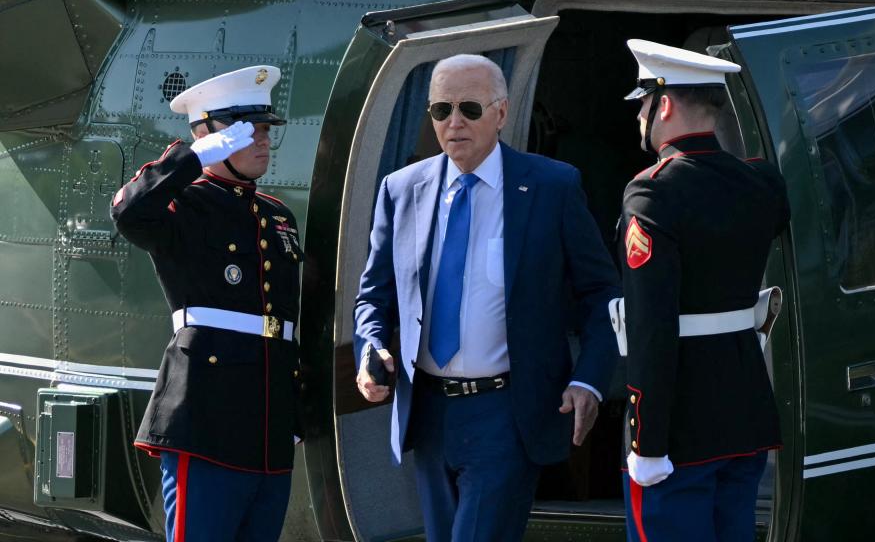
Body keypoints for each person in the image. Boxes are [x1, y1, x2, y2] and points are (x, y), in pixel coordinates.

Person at [353, 54, 621, 542]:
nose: (454, 122)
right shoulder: (402, 188)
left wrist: (591, 380)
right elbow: (374, 294)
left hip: (508, 412)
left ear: (501, 112)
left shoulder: (552, 186)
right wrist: (369, 347)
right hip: (428, 412)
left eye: (470, 108)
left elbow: (602, 292)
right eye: (440, 110)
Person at [111, 65, 302, 542]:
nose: (262, 140)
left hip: (270, 422)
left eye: (265, 129)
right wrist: (191, 160)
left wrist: (299, 413)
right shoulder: (182, 205)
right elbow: (129, 212)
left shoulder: (276, 214)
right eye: (245, 130)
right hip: (208, 419)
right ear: (205, 132)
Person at [618, 40, 790, 542]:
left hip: (679, 427)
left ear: (664, 105)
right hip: (745, 413)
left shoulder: (652, 190)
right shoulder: (761, 182)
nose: (640, 117)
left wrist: (646, 443)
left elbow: (651, 324)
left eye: (644, 105)